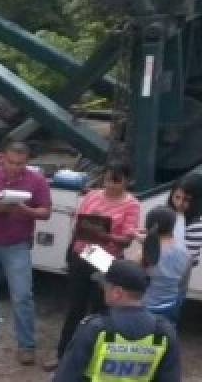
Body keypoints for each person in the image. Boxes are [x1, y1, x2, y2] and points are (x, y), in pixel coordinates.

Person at [46, 162, 140, 372]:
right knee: (74, 309)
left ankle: (93, 361)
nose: (111, 185)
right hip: (83, 252)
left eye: (116, 181)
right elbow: (78, 224)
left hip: (105, 258)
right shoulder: (92, 196)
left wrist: (105, 236)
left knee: (99, 311)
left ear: (127, 181)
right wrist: (72, 250)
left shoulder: (131, 204)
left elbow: (126, 240)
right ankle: (63, 356)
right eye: (107, 180)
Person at [0, 141, 50, 366]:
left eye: (21, 164)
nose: (15, 167)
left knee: (22, 295)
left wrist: (26, 210)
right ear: (2, 157)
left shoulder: (37, 180)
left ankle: (26, 345)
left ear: (27, 161)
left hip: (17, 246)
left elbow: (45, 212)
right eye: (11, 162)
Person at [51, 259, 180, 382]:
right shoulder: (164, 332)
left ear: (117, 292)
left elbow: (66, 376)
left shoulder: (95, 328)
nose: (103, 290)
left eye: (106, 287)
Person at [133, 206, 191, 326]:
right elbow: (182, 283)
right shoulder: (184, 251)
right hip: (170, 305)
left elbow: (129, 275)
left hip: (146, 306)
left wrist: (91, 253)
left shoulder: (145, 254)